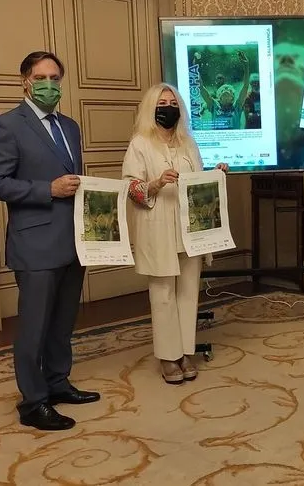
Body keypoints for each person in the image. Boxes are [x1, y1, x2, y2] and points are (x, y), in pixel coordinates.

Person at [0, 51, 100, 431]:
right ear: (25, 81)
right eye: (41, 77)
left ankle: (57, 383)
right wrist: (46, 188)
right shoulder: (6, 126)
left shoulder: (70, 126)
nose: (49, 84)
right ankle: (33, 402)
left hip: (72, 241)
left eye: (55, 77)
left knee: (62, 322)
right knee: (33, 328)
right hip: (34, 245)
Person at [123, 83, 228, 384]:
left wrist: (216, 174)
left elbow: (198, 185)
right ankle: (168, 358)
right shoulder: (139, 144)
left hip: (189, 229)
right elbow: (131, 189)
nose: (168, 107)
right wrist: (155, 184)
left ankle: (185, 352)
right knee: (163, 294)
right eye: (162, 102)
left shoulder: (188, 144)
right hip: (157, 228)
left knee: (187, 292)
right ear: (151, 108)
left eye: (173, 102)